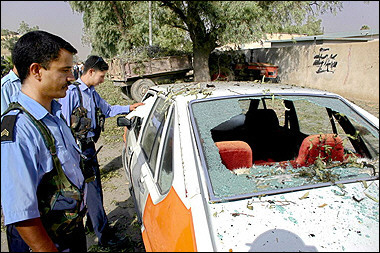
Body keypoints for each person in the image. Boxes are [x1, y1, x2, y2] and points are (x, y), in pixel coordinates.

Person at [1, 30, 87, 252]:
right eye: (65, 70)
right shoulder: (18, 129)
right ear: (36, 70)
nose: (72, 77)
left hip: (69, 232)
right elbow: (21, 214)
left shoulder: (53, 115)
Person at [59, 55, 143, 247]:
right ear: (90, 72)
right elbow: (63, 125)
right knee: (93, 192)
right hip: (78, 151)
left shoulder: (91, 93)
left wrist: (129, 107)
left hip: (89, 147)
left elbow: (107, 109)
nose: (103, 80)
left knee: (93, 191)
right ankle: (105, 237)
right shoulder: (73, 93)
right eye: (102, 76)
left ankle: (92, 224)